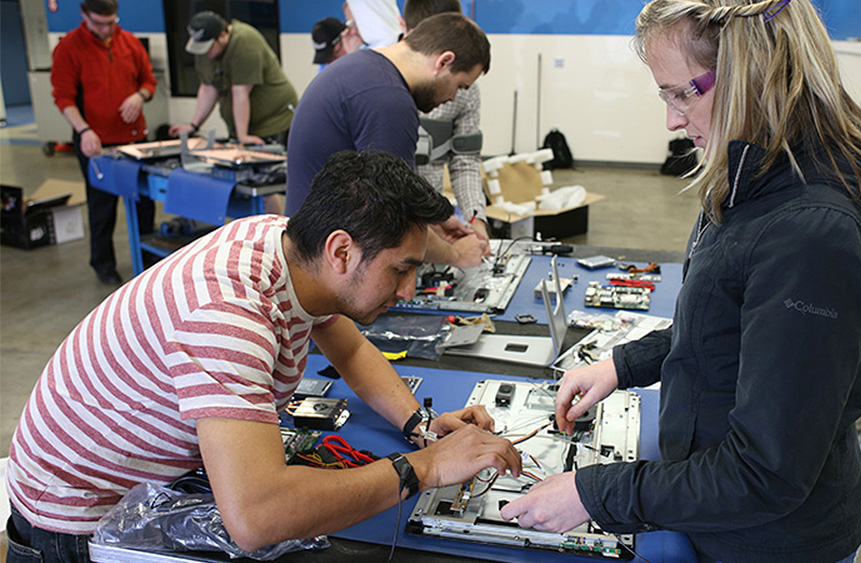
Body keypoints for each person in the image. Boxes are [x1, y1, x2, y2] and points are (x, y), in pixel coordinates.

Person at [499, 1, 861, 562]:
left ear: (757, 76)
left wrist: (594, 492)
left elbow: (764, 473)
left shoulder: (814, 236)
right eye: (665, 96)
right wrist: (621, 365)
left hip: (768, 542)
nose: (672, 121)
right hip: (720, 515)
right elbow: (722, 326)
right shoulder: (754, 172)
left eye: (683, 94)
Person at [5, 150, 522, 562]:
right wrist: (425, 469)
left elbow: (348, 347)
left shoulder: (284, 246)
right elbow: (257, 518)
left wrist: (421, 426)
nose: (410, 290)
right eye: (400, 270)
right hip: (72, 526)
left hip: (132, 481)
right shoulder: (227, 315)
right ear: (341, 251)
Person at [285, 12, 491, 267]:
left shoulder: (363, 67)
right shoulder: (390, 102)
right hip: (325, 262)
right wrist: (456, 255)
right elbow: (394, 218)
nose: (452, 98)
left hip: (310, 247)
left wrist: (436, 219)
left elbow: (397, 197)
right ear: (444, 62)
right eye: (460, 86)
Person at [51, 0, 156, 285]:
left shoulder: (130, 43)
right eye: (99, 23)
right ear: (84, 15)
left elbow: (149, 82)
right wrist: (84, 130)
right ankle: (103, 264)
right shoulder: (69, 47)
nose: (106, 29)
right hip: (95, 142)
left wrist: (139, 96)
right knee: (101, 207)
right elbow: (63, 97)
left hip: (133, 139)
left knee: (144, 203)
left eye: (111, 22)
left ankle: (149, 258)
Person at [404, 0, 490, 247]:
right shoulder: (380, 82)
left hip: (435, 222)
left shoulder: (465, 90)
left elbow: (465, 160)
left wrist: (475, 219)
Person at [168, 11, 297, 147]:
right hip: (244, 126)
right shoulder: (205, 49)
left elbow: (240, 91)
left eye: (209, 47)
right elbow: (208, 88)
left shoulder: (244, 40)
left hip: (274, 121)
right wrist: (194, 125)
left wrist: (242, 136)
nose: (205, 53)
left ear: (222, 36)